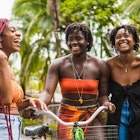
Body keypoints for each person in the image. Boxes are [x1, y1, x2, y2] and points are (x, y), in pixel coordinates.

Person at [40, 22, 116, 139]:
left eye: (79, 38)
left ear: (87, 41)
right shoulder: (58, 65)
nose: (74, 42)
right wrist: (38, 105)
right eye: (70, 39)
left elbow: (103, 96)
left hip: (92, 114)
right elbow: (48, 93)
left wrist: (106, 103)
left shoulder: (101, 65)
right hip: (67, 115)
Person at [0, 18, 47, 140]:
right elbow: (6, 100)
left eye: (17, 30)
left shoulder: (6, 66)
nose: (19, 34)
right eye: (12, 30)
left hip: (11, 125)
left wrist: (28, 102)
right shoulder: (1, 60)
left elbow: (9, 104)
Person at [106, 24, 140, 140]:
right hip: (117, 115)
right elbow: (102, 94)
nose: (122, 39)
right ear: (114, 43)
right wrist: (106, 102)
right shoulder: (107, 65)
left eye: (126, 35)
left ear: (135, 40)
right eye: (118, 37)